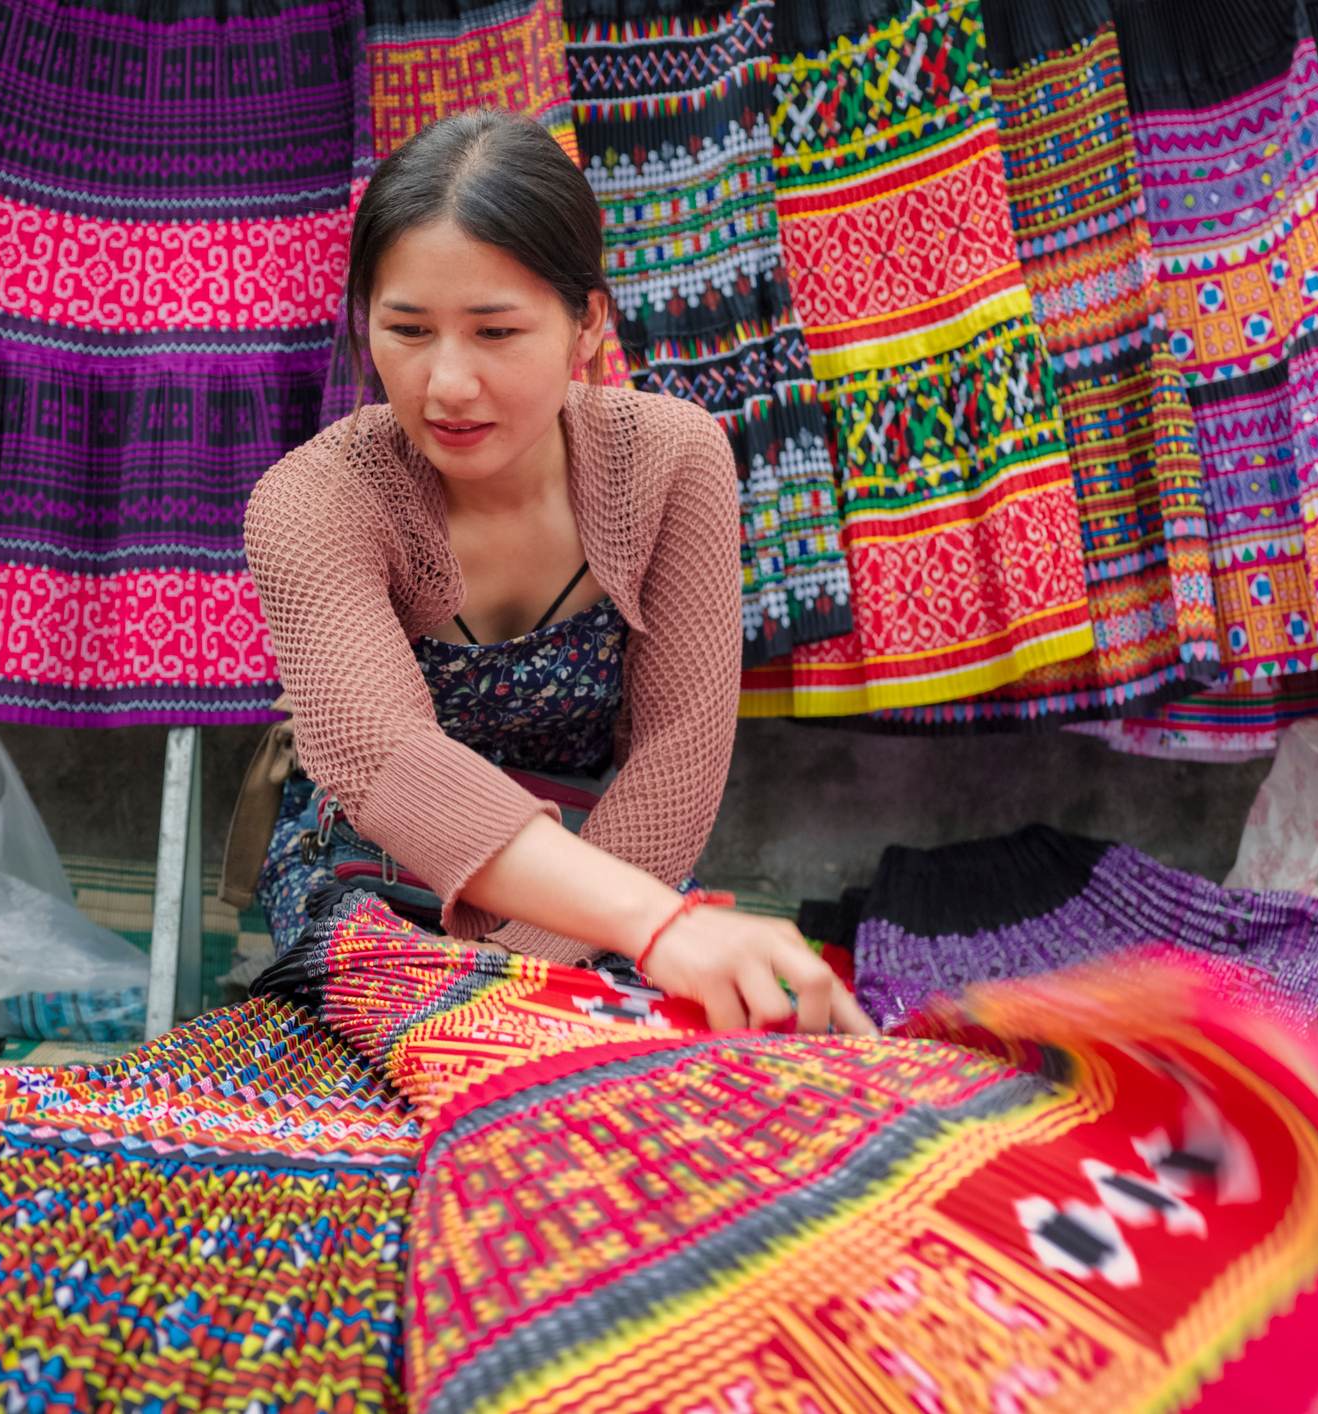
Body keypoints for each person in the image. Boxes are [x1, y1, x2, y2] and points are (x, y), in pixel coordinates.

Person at [244, 109, 873, 1037]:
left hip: (612, 872)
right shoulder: (312, 500)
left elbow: (676, 761)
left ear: (587, 324)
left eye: (495, 333)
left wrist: (528, 969)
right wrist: (640, 933)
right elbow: (384, 759)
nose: (446, 383)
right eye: (407, 329)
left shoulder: (672, 461)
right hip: (374, 874)